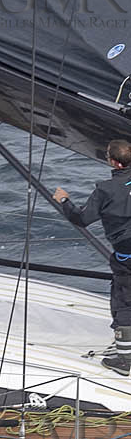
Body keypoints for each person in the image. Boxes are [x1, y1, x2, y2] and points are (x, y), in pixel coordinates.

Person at [55, 138, 131, 363]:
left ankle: (125, 361)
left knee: (124, 303)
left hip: (127, 258)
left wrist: (64, 200)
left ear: (115, 163)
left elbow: (81, 218)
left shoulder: (106, 190)